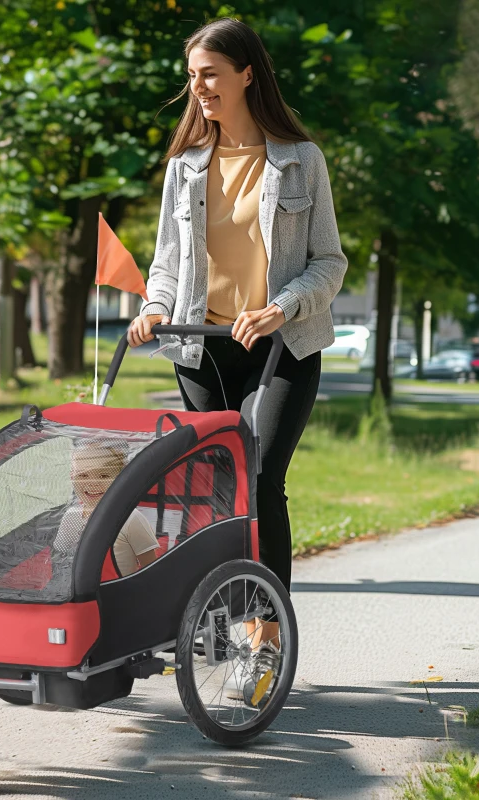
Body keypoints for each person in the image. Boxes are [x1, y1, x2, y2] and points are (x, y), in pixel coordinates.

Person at [127, 18, 347, 688]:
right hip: (203, 350)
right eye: (192, 77)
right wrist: (154, 307)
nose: (198, 88)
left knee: (259, 481)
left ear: (247, 74)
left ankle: (264, 644)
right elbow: (167, 264)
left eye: (211, 75)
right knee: (215, 491)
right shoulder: (185, 168)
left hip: (282, 348)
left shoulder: (300, 160)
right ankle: (221, 626)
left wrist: (283, 305)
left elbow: (329, 262)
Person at [54, 439, 160, 576]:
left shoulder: (131, 519)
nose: (93, 483)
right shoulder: (71, 516)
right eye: (83, 475)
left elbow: (151, 570)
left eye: (104, 476)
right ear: (72, 477)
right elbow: (60, 560)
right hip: (78, 588)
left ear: (120, 479)